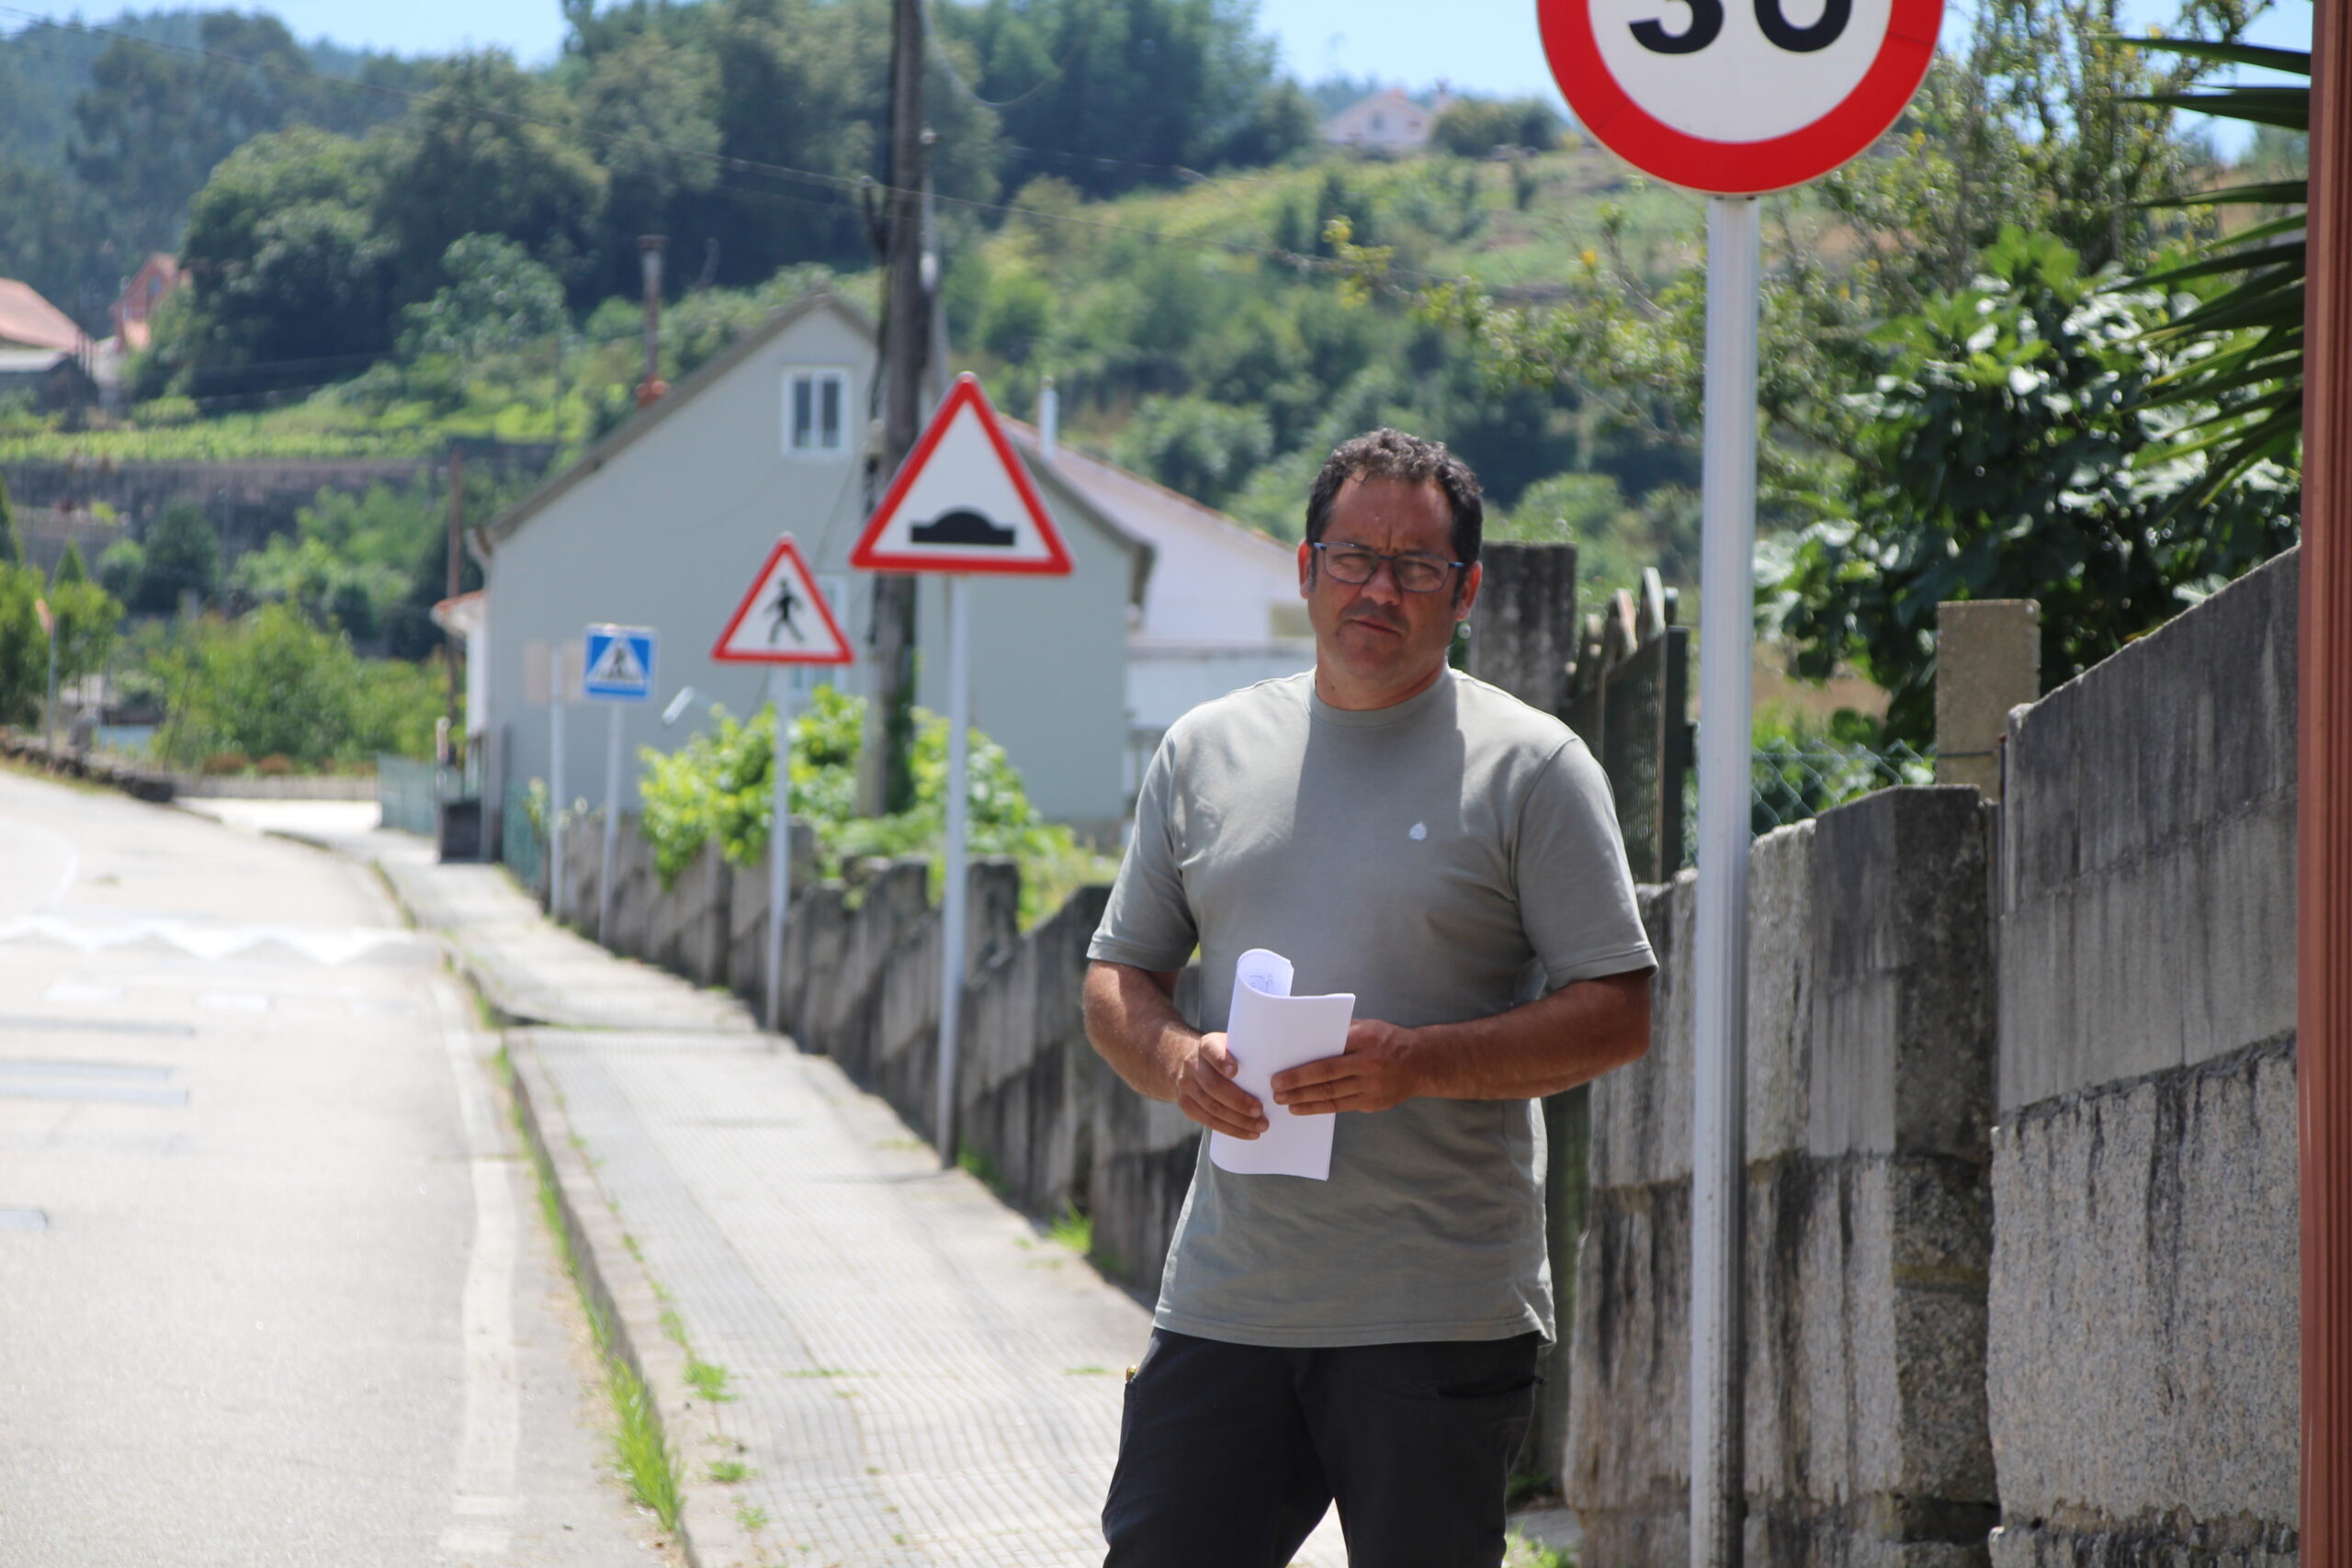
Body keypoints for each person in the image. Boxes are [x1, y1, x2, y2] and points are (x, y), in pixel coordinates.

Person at [1082, 428, 1657, 1568]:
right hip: (1229, 1300)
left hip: (1437, 1313)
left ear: (1466, 592)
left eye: (1415, 567)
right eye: (1352, 557)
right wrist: (1175, 1059)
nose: (1378, 588)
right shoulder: (1204, 751)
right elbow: (1119, 974)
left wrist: (1420, 1062)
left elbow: (1620, 1009)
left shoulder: (1532, 769)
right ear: (1305, 570)